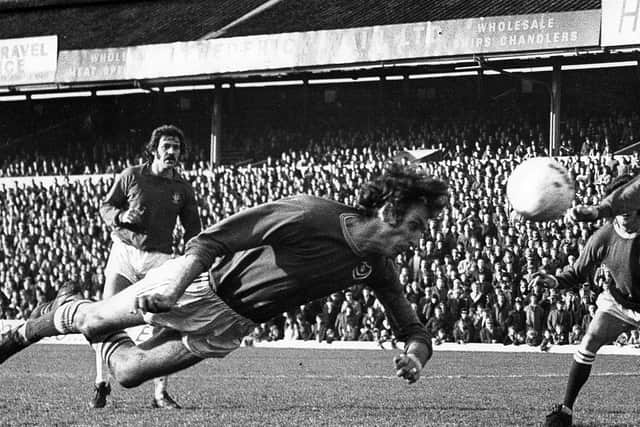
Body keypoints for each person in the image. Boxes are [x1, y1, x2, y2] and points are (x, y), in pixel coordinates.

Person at [0, 164, 448, 395]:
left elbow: (413, 330)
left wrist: (414, 358)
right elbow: (213, 240)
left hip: (232, 325)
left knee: (128, 373)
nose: (417, 238)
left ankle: (70, 306)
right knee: (94, 324)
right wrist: (173, 288)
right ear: (389, 212)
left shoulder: (377, 267)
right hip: (200, 285)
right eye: (415, 225)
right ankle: (35, 323)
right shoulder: (311, 214)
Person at [95, 125, 202, 408]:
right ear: (154, 149)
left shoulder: (182, 188)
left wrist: (193, 258)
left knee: (165, 320)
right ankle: (102, 382)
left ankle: (160, 393)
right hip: (126, 252)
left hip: (159, 259)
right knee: (105, 316)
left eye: (176, 147)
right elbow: (106, 207)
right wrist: (121, 215)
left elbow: (194, 229)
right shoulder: (131, 175)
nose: (172, 152)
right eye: (166, 146)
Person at [537, 174, 640, 426]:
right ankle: (565, 410)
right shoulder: (602, 237)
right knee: (590, 339)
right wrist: (555, 281)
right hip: (620, 302)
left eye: (630, 203)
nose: (625, 210)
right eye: (619, 205)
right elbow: (578, 271)